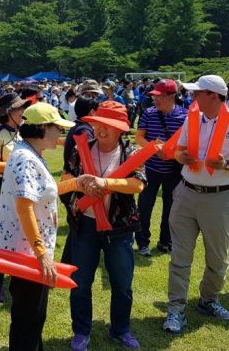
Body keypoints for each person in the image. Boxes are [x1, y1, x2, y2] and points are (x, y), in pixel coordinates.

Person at [0, 102, 101, 351]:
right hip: (27, 254)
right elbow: (25, 206)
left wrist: (76, 182)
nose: (61, 134)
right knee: (28, 319)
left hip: (29, 251)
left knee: (33, 317)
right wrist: (41, 252)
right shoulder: (25, 159)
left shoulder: (30, 153)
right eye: (57, 128)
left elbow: (42, 192)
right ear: (42, 128)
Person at [164, 74, 229, 333]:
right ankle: (176, 309)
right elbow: (179, 152)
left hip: (219, 196)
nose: (193, 97)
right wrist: (182, 157)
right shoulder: (191, 119)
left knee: (217, 257)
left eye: (198, 93)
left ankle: (209, 300)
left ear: (214, 97)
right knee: (180, 256)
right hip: (186, 193)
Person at [63, 101, 147, 350]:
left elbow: (138, 184)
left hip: (118, 229)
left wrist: (104, 183)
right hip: (85, 227)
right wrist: (80, 183)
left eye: (108, 125)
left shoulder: (130, 152)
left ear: (121, 129)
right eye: (98, 123)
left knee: (122, 284)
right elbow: (66, 177)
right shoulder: (81, 149)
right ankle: (81, 332)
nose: (100, 129)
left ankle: (120, 330)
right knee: (80, 282)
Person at [0, 92, 31, 303]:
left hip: (24, 187)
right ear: (8, 113)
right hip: (3, 187)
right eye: (19, 108)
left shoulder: (26, 133)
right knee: (1, 236)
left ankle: (19, 275)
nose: (23, 111)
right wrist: (20, 166)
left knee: (23, 231)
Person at [134, 79, 187, 256]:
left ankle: (166, 241)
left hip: (173, 171)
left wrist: (172, 153)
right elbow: (139, 137)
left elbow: (187, 145)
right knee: (144, 207)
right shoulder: (148, 113)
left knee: (171, 208)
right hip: (151, 169)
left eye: (160, 97)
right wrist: (155, 149)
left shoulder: (185, 117)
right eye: (154, 96)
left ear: (172, 96)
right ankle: (142, 242)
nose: (156, 100)